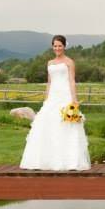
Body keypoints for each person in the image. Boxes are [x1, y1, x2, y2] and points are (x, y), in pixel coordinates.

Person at [20, 35, 91, 170]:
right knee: (45, 123)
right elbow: (49, 82)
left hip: (65, 96)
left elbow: (71, 81)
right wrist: (46, 98)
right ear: (52, 47)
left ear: (64, 46)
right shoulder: (50, 63)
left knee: (66, 125)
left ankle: (70, 161)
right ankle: (42, 160)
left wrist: (74, 99)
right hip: (52, 96)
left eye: (60, 46)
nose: (57, 48)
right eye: (55, 46)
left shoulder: (69, 62)